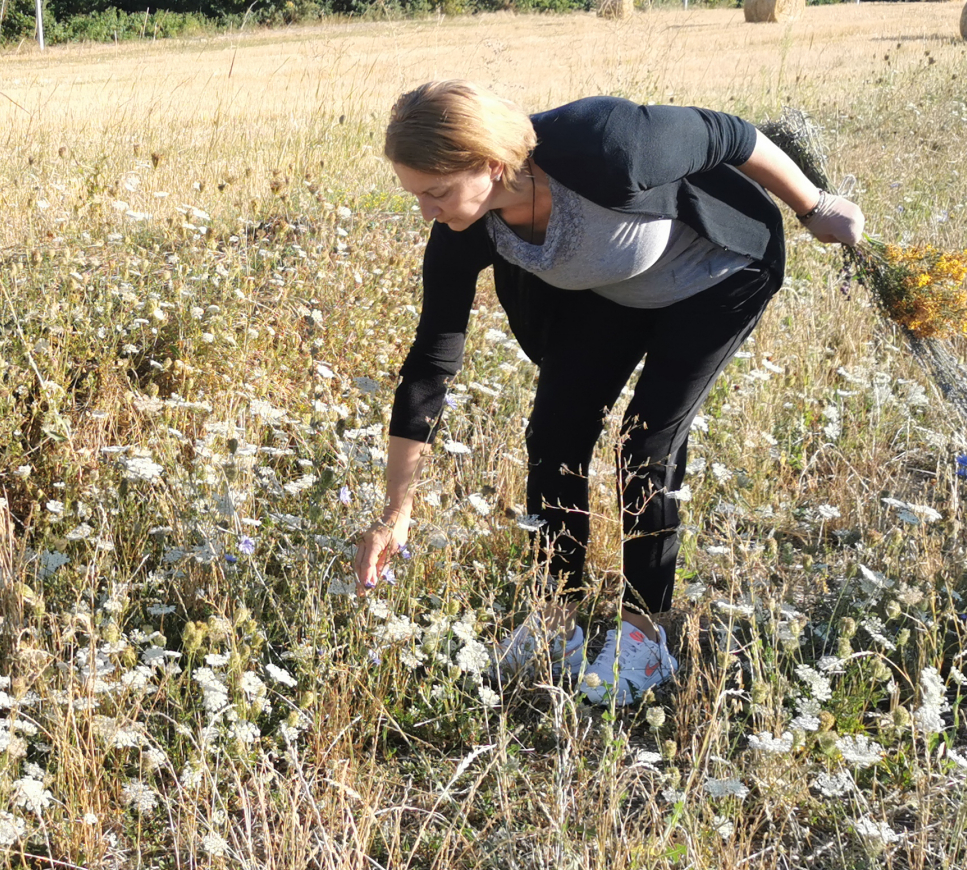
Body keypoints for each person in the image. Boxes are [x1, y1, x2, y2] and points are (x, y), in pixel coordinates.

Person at [351, 81, 864, 704]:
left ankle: (646, 635)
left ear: (491, 165)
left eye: (436, 192)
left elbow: (731, 134)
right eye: (416, 194)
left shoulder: (608, 145)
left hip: (717, 273)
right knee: (555, 433)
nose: (426, 212)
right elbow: (431, 364)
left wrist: (814, 206)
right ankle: (554, 619)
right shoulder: (465, 227)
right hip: (614, 291)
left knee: (645, 444)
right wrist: (395, 512)